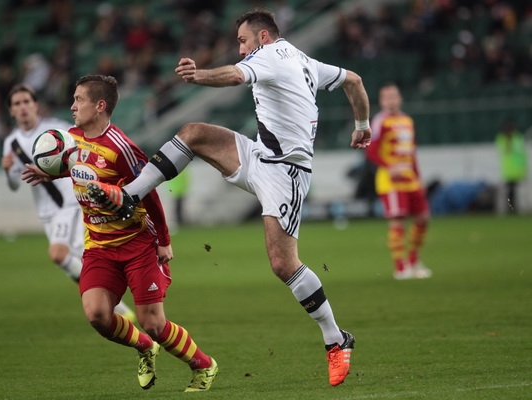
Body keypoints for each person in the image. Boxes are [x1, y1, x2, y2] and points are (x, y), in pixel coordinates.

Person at [85, 8, 371, 387]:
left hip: (286, 173)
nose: (241, 50)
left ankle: (336, 339)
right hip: (261, 155)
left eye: (242, 41)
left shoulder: (269, 55)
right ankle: (129, 195)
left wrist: (197, 75)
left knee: (283, 264)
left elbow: (235, 75)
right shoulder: (306, 61)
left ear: (263, 37)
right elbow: (353, 79)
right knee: (193, 133)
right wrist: (362, 126)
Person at [22, 75, 217, 392]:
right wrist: (47, 173)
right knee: (97, 315)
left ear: (99, 106)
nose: (72, 106)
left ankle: (204, 366)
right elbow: (73, 169)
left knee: (153, 323)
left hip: (137, 245)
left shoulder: (121, 149)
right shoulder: (70, 140)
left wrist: (164, 241)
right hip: (99, 246)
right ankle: (144, 348)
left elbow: (150, 194)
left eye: (79, 99)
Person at [1, 83, 135, 321]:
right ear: (11, 111)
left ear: (35, 106)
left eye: (26, 102)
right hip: (47, 213)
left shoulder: (58, 130)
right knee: (81, 260)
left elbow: (85, 150)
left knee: (59, 254)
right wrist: (8, 171)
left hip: (70, 203)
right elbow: (13, 185)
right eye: (16, 104)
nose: (22, 107)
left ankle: (118, 308)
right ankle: (108, 303)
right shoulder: (11, 143)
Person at [365, 83, 432, 280]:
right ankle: (400, 266)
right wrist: (388, 166)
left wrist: (419, 178)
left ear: (400, 98)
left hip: (410, 178)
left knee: (423, 218)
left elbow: (411, 153)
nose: (391, 100)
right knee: (398, 220)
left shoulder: (407, 121)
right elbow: (371, 150)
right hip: (390, 180)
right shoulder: (379, 122)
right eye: (387, 97)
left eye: (394, 96)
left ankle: (413, 260)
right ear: (382, 101)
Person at [495, 120, 528, 213]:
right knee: (510, 191)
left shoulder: (518, 138)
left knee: (514, 191)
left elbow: (520, 152)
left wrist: (523, 166)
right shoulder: (502, 138)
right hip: (508, 169)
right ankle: (511, 208)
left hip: (517, 168)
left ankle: (513, 208)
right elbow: (504, 149)